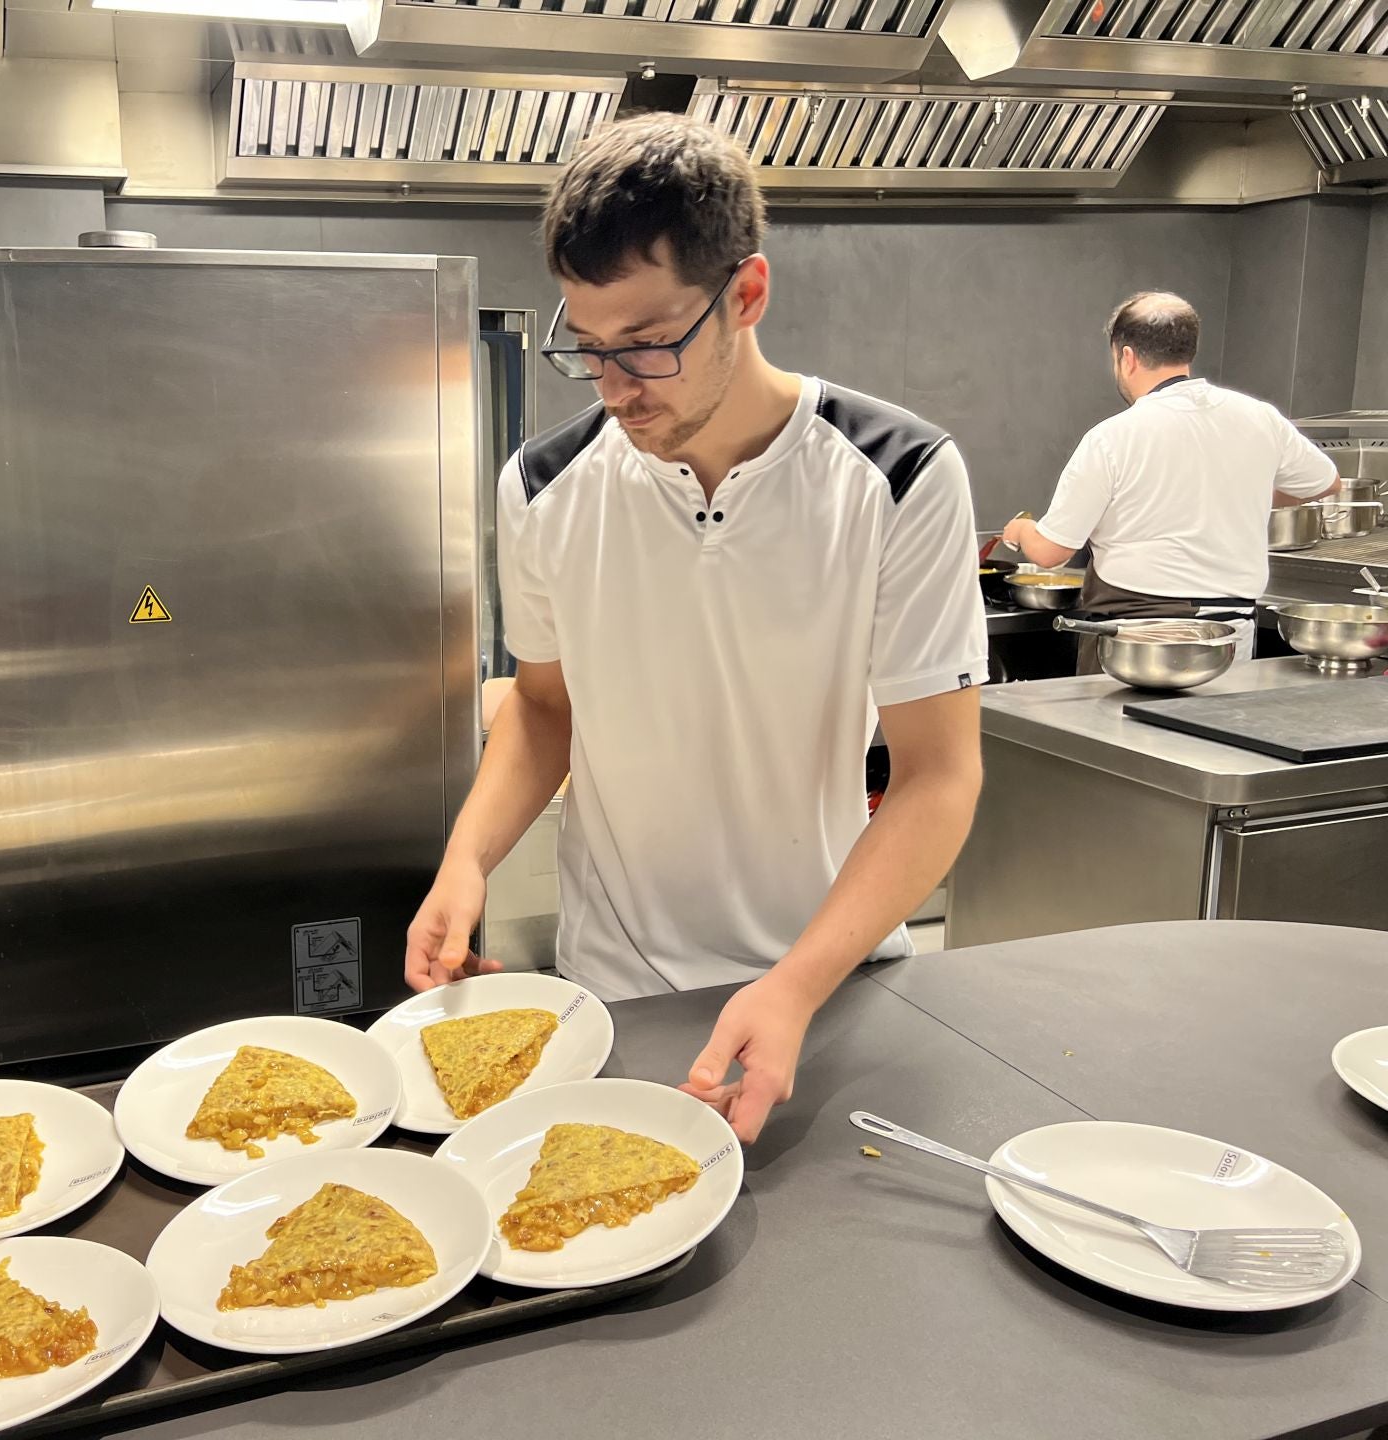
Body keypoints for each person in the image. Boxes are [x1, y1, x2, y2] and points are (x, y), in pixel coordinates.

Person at [401, 113, 988, 1144]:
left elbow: (938, 777)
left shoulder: (897, 476)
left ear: (746, 294)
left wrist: (795, 985)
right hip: (617, 990)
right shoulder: (543, 486)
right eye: (589, 349)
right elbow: (544, 709)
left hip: (827, 981)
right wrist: (467, 858)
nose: (616, 388)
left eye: (648, 344)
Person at [1001, 292, 1338, 666]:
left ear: (1127, 357)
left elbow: (1051, 553)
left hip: (1138, 639)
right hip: (1230, 635)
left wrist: (1022, 531)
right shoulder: (1260, 418)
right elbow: (1325, 484)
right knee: (1221, 708)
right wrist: (1245, 493)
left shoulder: (1113, 437)